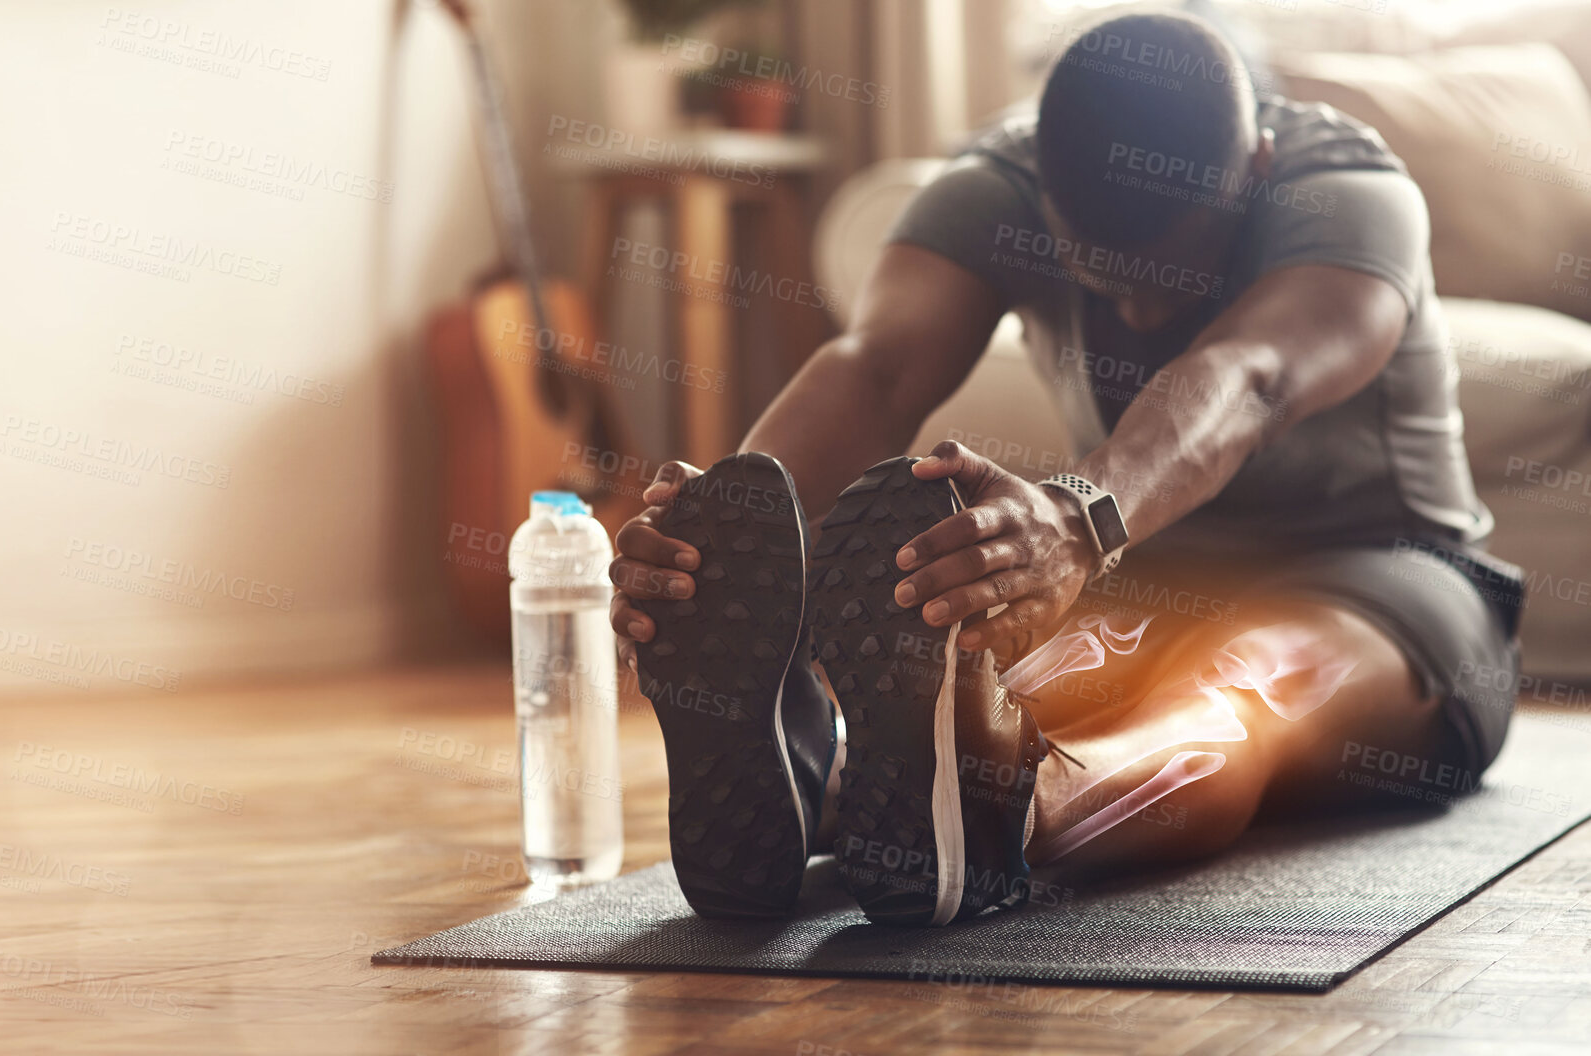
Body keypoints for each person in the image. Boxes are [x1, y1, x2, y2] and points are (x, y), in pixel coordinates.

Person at [607, 11, 1526, 926]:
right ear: (1043, 193)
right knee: (978, 689)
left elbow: (1248, 377)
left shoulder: (1352, 195)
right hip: (1153, 584)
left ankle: (1011, 817)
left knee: (1238, 678)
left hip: (1396, 584)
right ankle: (821, 777)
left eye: (1172, 272)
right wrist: (717, 546)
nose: (1133, 309)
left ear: (1257, 170)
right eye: (1105, 275)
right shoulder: (997, 184)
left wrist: (1075, 516)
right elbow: (879, 367)